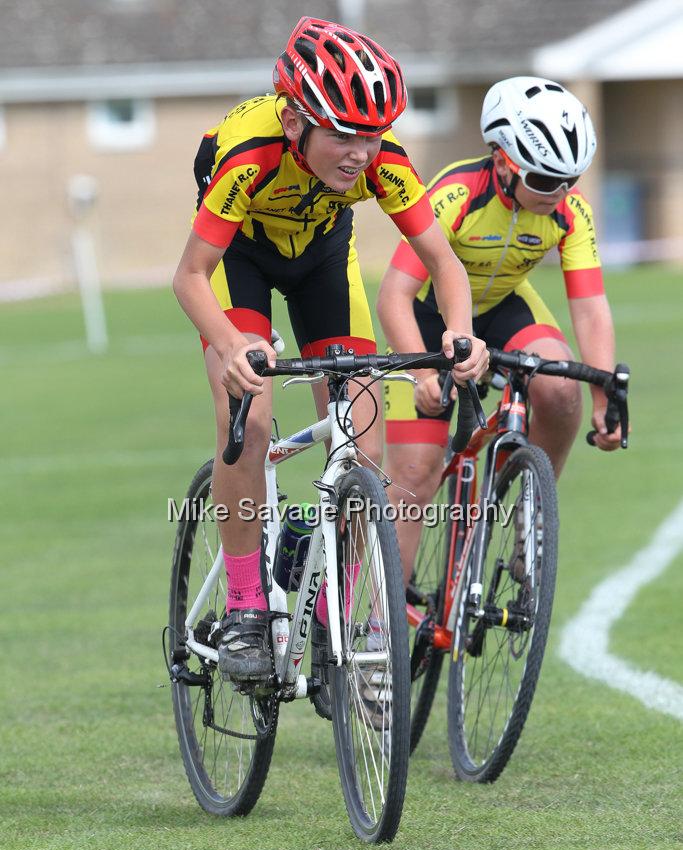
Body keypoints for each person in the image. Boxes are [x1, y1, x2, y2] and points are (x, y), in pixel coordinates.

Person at [172, 17, 488, 686]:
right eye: (343, 135)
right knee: (248, 419)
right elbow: (191, 274)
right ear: (293, 122)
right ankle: (244, 608)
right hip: (239, 260)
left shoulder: (385, 163)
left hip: (320, 258)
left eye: (371, 136)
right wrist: (231, 346)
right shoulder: (249, 154)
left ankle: (331, 614)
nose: (359, 153)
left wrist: (458, 329)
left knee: (362, 444)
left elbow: (444, 262)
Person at [379, 76, 624, 585]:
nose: (557, 195)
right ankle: (384, 633)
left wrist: (603, 397)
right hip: (427, 318)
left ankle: (530, 514)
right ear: (502, 160)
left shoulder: (569, 212)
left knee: (560, 388)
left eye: (569, 181)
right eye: (543, 180)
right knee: (413, 478)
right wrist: (423, 372)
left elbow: (592, 309)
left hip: (502, 307)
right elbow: (394, 296)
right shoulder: (454, 194)